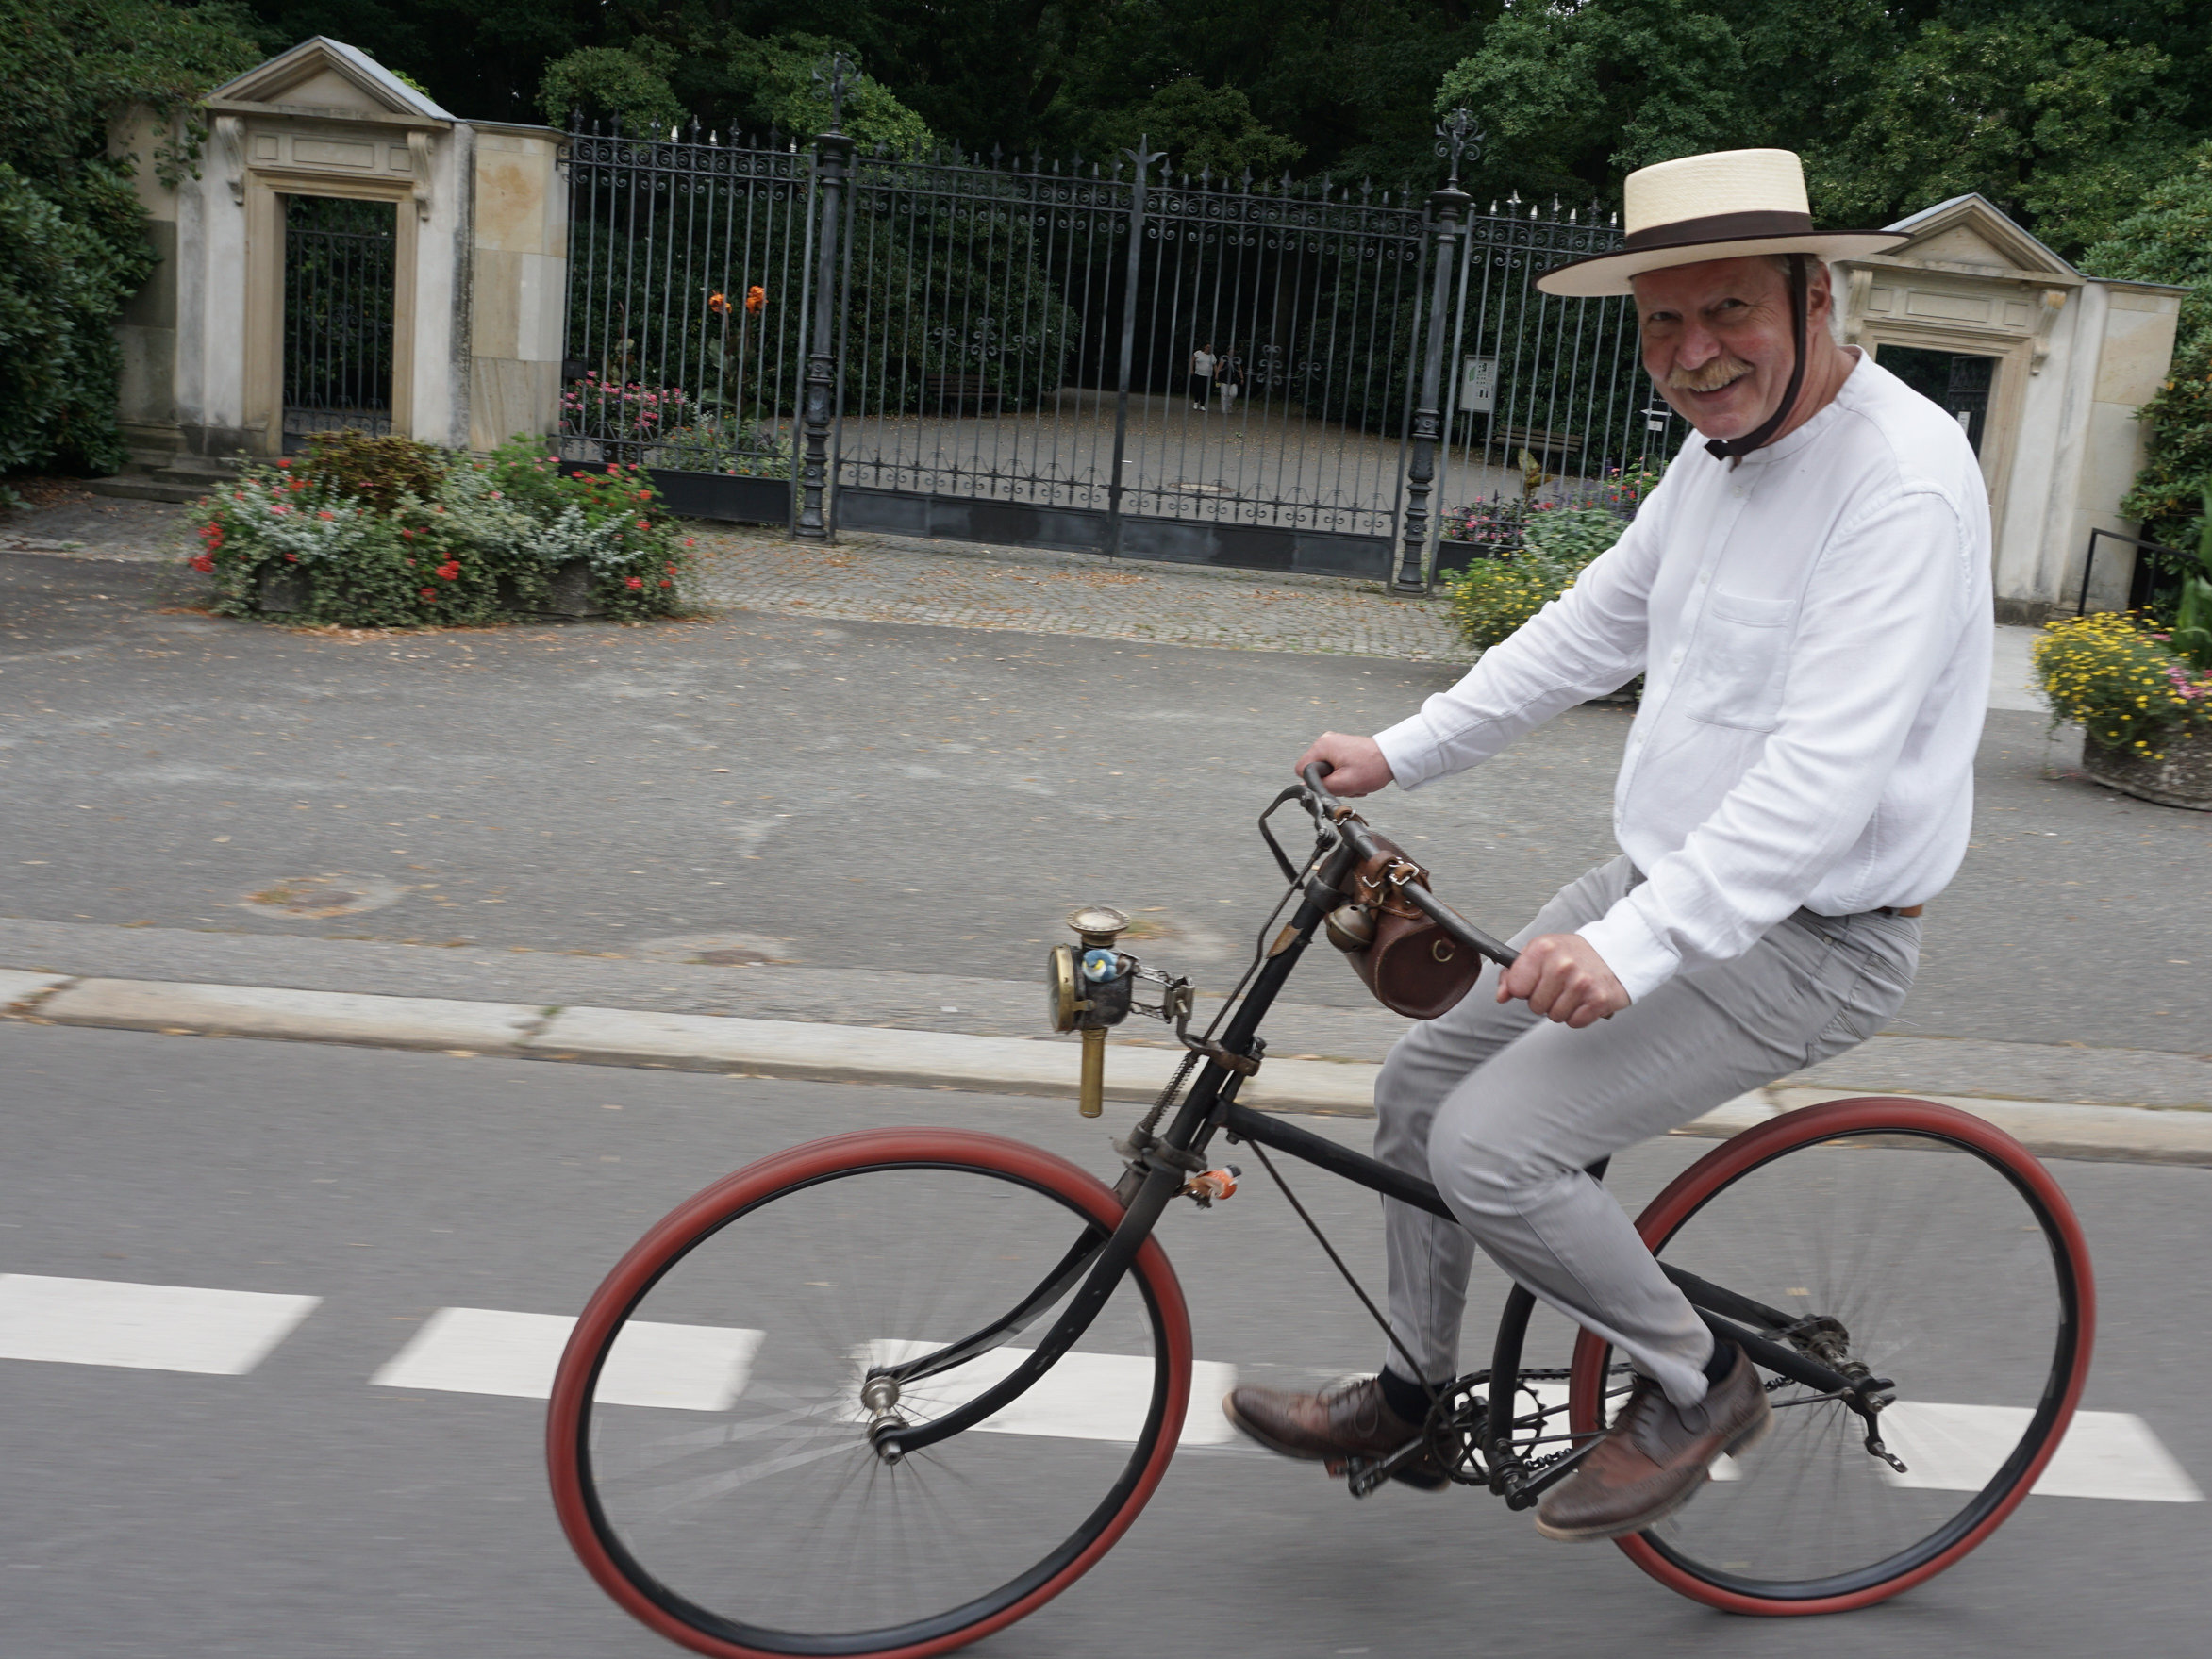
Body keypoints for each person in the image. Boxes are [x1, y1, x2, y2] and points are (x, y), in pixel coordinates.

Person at [1223, 148, 1993, 1542]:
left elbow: (1821, 777)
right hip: (1661, 886)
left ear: (1816, 296)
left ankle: (1700, 1381)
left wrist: (1632, 944)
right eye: (1662, 322)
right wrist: (1402, 747)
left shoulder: (1899, 484)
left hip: (1809, 939)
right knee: (1418, 1088)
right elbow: (1592, 624)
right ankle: (1416, 1396)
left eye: (1729, 310)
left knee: (1493, 1148)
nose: (1695, 354)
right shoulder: (1717, 455)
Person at [1189, 342, 1216, 410]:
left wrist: (1216, 373)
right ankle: (1196, 402)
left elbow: (1214, 365)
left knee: (1205, 390)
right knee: (1198, 388)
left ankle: (1202, 405)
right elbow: (1192, 360)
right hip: (1199, 374)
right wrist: (1191, 369)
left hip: (1208, 375)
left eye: (1210, 348)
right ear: (1205, 347)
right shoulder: (1198, 353)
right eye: (1208, 347)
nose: (1209, 349)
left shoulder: (1212, 356)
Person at [1218, 350, 1243, 415]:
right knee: (1224, 394)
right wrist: (1217, 375)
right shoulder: (1224, 359)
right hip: (1224, 379)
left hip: (1233, 380)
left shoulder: (1236, 360)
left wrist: (1242, 378)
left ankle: (1229, 405)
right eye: (1230, 352)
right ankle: (1224, 409)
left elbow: (1239, 369)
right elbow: (1219, 367)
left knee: (1234, 393)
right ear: (1227, 352)